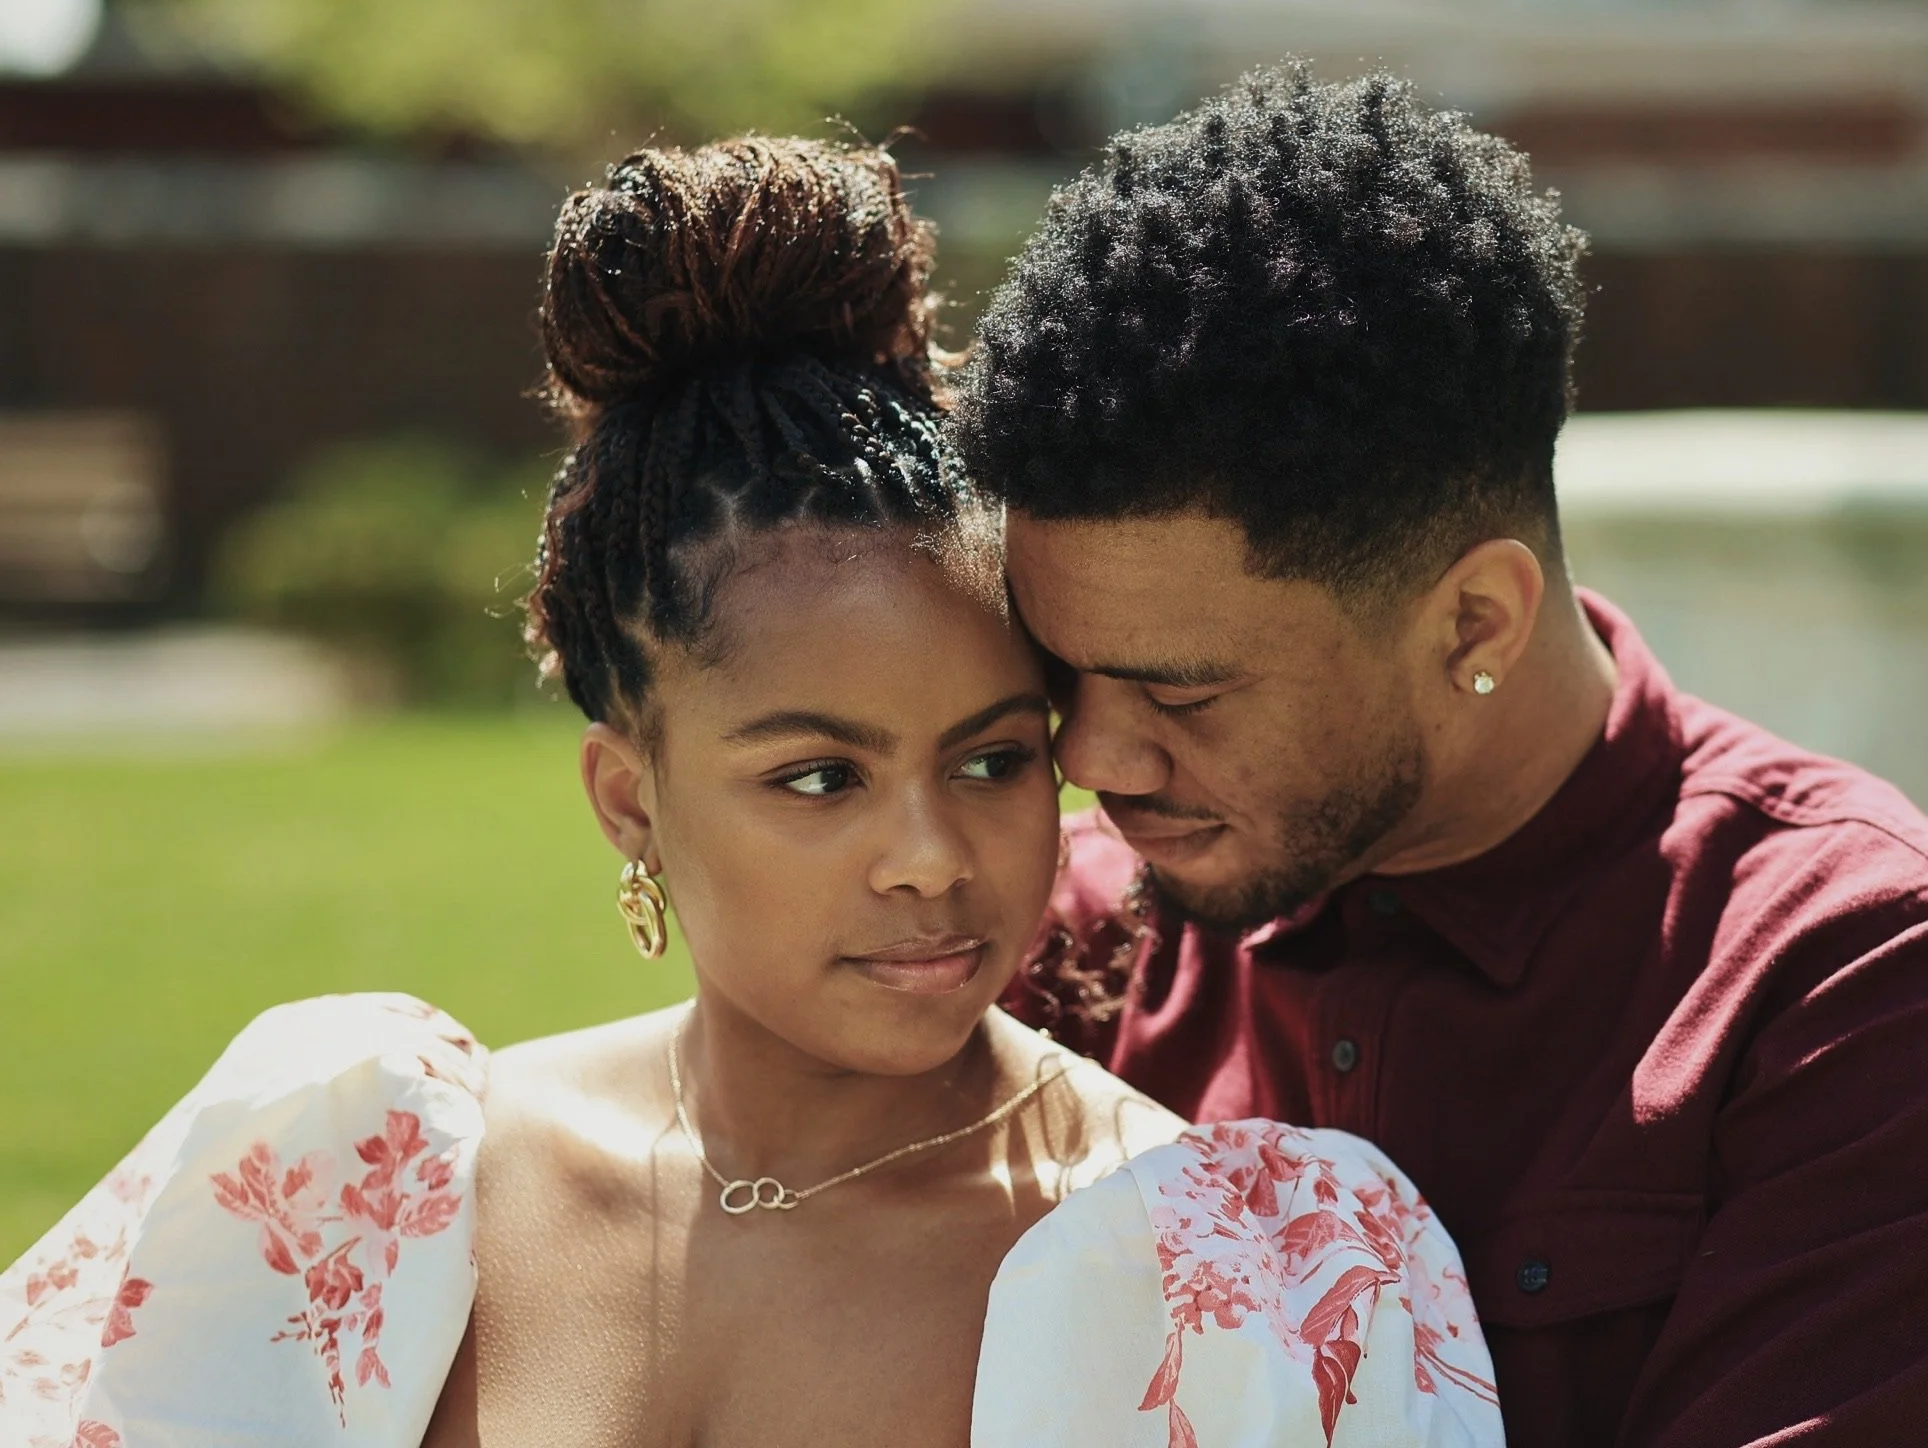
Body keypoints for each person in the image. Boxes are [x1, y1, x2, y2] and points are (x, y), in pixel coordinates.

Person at [0, 137, 1503, 1448]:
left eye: (994, 759)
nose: (931, 859)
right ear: (628, 799)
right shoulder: (359, 1178)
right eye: (818, 776)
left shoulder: (1263, 1280)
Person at [962, 65, 1928, 1447]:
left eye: (1182, 694)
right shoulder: (1057, 949)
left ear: (1473, 621)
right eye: (1062, 672)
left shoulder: (1882, 990)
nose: (1093, 758)